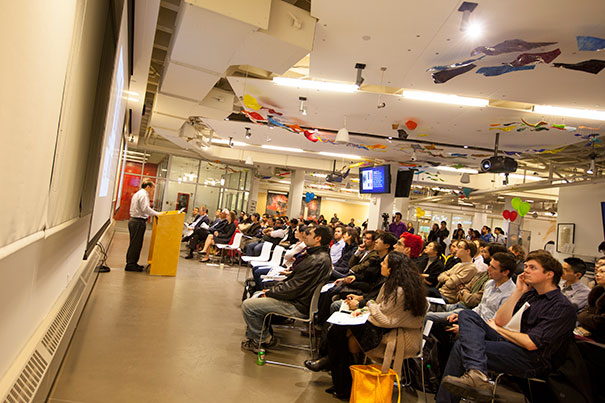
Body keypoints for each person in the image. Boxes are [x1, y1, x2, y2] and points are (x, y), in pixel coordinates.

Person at [437, 250, 576, 403]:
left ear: (549, 274)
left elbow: (531, 343)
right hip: (512, 344)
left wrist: (500, 330)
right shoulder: (531, 295)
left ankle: (473, 378)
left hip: (533, 359)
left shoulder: (561, 306)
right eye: (526, 266)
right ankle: (477, 373)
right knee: (467, 315)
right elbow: (500, 320)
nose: (526, 271)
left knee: (462, 346)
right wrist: (519, 291)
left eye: (532, 268)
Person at [319, 252, 427, 399]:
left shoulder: (400, 290)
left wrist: (368, 305)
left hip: (397, 335)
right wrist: (363, 310)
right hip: (387, 328)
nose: (381, 264)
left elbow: (385, 318)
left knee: (339, 332)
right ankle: (343, 383)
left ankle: (341, 381)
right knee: (340, 332)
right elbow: (381, 308)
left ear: (391, 269)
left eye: (384, 263)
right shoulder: (395, 284)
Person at [240, 226, 333, 352]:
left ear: (318, 239)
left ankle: (262, 339)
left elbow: (293, 288)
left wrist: (270, 293)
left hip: (297, 304)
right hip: (299, 300)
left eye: (309, 234)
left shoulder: (316, 260)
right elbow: (295, 283)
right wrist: (270, 291)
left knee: (248, 306)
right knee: (257, 293)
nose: (305, 236)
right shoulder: (318, 256)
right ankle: (259, 336)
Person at [125, 179, 161, 271]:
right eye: (153, 188)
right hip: (138, 222)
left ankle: (133, 263)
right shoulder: (143, 195)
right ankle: (131, 265)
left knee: (136, 244)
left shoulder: (139, 193)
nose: (153, 190)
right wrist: (158, 214)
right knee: (135, 244)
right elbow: (145, 209)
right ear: (148, 187)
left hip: (136, 221)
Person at [436, 240, 478, 304]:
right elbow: (440, 276)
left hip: (448, 298)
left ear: (468, 251)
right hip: (440, 292)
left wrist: (447, 278)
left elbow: (450, 284)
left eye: (459, 247)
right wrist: (448, 278)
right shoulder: (458, 264)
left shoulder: (471, 268)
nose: (456, 249)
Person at [577, 259, 605, 342]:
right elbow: (584, 313)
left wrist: (584, 317)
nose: (597, 275)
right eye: (597, 272)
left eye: (602, 272)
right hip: (590, 336)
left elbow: (600, 322)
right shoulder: (597, 292)